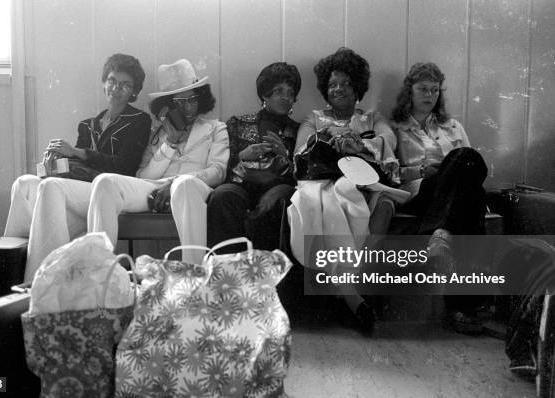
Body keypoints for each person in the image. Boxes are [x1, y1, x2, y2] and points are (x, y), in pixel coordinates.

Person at [4, 53, 150, 282]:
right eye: (112, 80)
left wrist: (77, 152)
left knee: (51, 187)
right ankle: (9, 272)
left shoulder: (140, 120)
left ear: (134, 91)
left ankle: (39, 284)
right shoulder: (88, 124)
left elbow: (126, 166)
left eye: (125, 85)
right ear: (104, 83)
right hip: (81, 188)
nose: (116, 88)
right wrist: (56, 160)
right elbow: (77, 166)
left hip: (107, 191)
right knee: (23, 184)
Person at [287, 48, 399, 335]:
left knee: (342, 191)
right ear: (325, 88)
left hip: (360, 183)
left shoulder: (371, 119)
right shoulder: (313, 119)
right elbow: (301, 151)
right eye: (333, 84)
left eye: (346, 83)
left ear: (358, 87)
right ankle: (349, 293)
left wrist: (360, 144)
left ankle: (344, 293)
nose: (338, 89)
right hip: (319, 181)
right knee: (312, 197)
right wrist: (326, 138)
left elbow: (389, 141)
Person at [87, 59, 229, 265]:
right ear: (168, 106)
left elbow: (218, 171)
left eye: (192, 99)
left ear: (201, 100)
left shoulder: (216, 128)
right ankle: (99, 272)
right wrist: (169, 142)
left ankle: (194, 272)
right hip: (156, 191)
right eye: (179, 101)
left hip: (194, 189)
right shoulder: (158, 134)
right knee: (104, 182)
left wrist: (174, 182)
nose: (187, 107)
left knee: (183, 184)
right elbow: (144, 177)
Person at [390, 62, 489, 333]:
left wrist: (451, 169)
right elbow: (389, 172)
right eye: (423, 88)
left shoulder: (452, 125)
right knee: (465, 176)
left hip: (453, 196)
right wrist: (423, 169)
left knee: (465, 163)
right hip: (421, 191)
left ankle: (440, 233)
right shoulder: (394, 127)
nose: (429, 95)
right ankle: (462, 307)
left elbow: (473, 167)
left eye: (435, 90)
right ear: (409, 91)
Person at [207, 62, 301, 251]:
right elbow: (222, 167)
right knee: (222, 195)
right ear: (265, 94)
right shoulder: (238, 123)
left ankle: (268, 273)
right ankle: (227, 270)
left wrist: (286, 154)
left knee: (279, 201)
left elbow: (304, 175)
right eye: (278, 91)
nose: (285, 98)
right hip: (242, 187)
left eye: (290, 93)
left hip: (278, 188)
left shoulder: (299, 130)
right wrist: (243, 155)